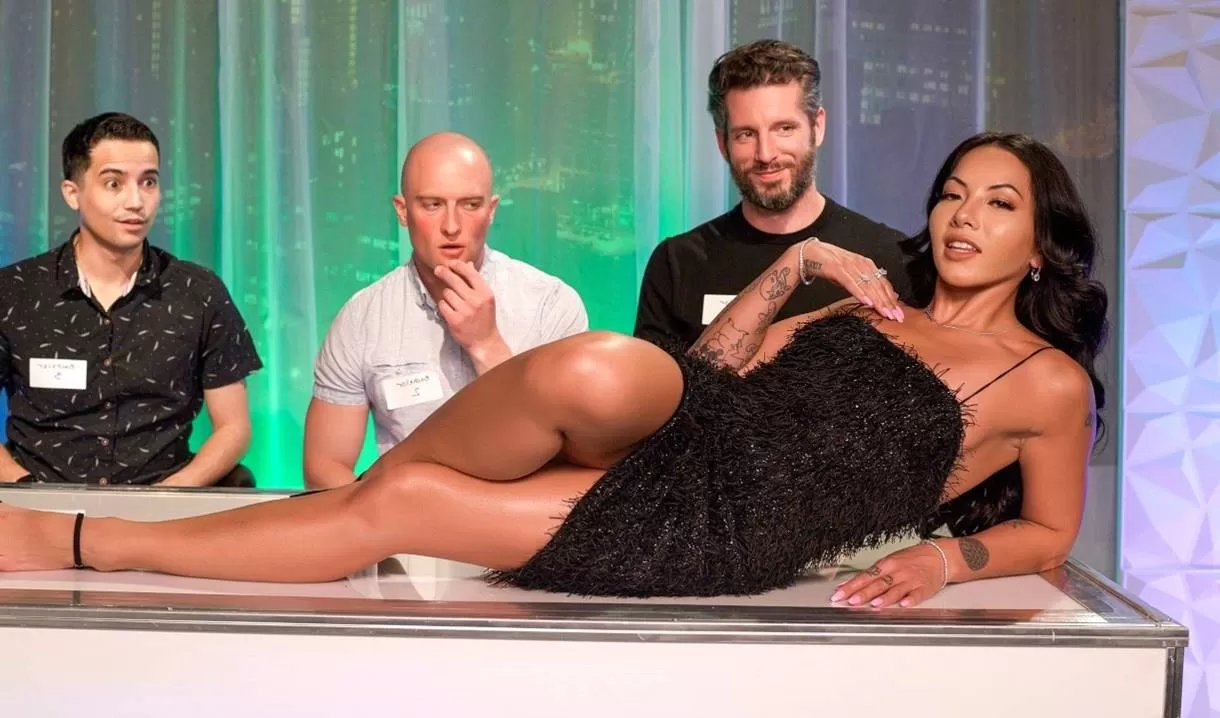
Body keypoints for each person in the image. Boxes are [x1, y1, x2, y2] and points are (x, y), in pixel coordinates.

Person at [0, 132, 1108, 609]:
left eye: (997, 202)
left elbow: (1050, 531)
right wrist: (789, 273)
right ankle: (325, 528)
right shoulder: (868, 307)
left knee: (399, 502)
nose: (963, 215)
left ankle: (83, 540)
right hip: (690, 432)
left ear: (1040, 242)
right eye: (952, 193)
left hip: (722, 526)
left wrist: (946, 560)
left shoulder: (1044, 380)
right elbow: (712, 375)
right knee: (599, 366)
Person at [303, 132, 588, 489]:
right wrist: (381, 515)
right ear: (402, 211)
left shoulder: (551, 305)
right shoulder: (362, 318)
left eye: (470, 204)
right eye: (432, 205)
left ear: (491, 210)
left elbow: (572, 457)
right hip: (407, 517)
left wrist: (487, 345)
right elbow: (324, 465)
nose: (451, 226)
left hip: (521, 513)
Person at [0, 113, 261, 487]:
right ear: (72, 193)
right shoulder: (15, 291)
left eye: (148, 182)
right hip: (38, 505)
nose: (136, 201)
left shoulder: (198, 292)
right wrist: (27, 490)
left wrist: (167, 498)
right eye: (114, 184)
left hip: (164, 502)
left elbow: (234, 428)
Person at [634, 39, 911, 348]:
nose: (765, 154)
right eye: (746, 134)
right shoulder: (678, 263)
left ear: (817, 127)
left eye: (784, 129)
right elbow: (657, 380)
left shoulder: (889, 256)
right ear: (722, 143)